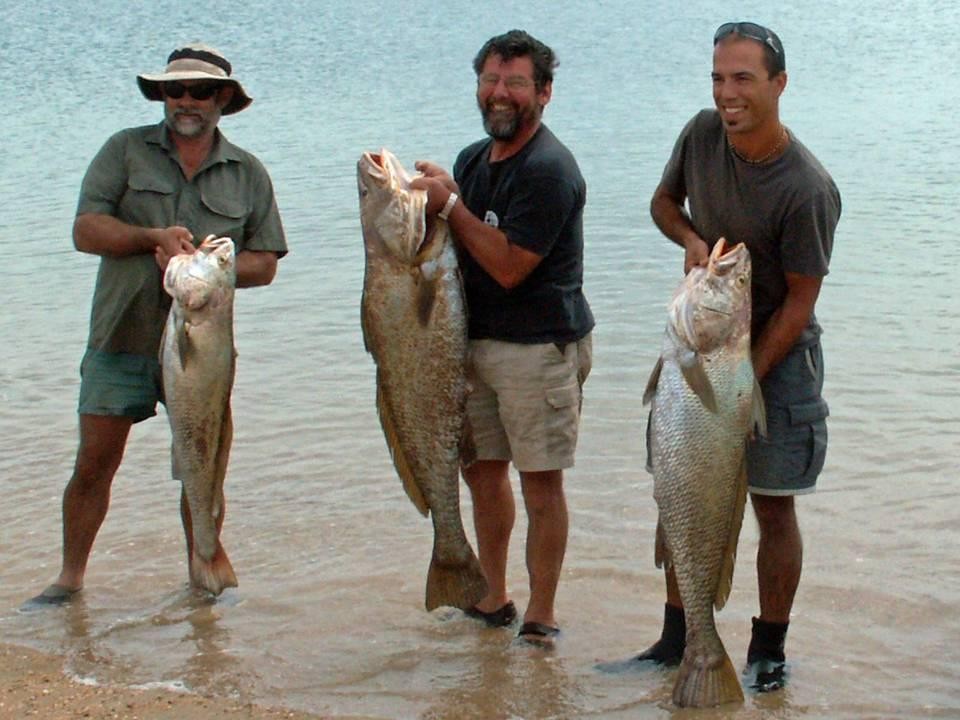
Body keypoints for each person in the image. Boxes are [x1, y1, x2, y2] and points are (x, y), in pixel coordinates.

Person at [26, 43, 287, 607]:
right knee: (93, 465)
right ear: (163, 96)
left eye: (200, 91)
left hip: (205, 351)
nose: (186, 100)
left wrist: (208, 269)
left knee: (203, 470)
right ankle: (69, 579)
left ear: (223, 99)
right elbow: (85, 230)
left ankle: (204, 579)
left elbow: (265, 263)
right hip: (118, 339)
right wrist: (150, 239)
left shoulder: (248, 173)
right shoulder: (123, 150)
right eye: (175, 90)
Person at [637, 22, 841, 690]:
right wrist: (692, 241)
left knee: (773, 507)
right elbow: (663, 203)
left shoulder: (807, 187)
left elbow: (800, 302)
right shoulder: (701, 134)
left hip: (777, 358)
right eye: (719, 78)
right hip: (703, 343)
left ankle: (768, 651)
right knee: (680, 491)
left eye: (744, 78)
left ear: (779, 84)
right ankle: (680, 641)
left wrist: (741, 381)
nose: (728, 93)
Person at [411, 29, 594, 646]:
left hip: (540, 347)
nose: (500, 93)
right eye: (490, 79)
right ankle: (492, 596)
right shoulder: (472, 160)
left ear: (544, 92)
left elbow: (511, 265)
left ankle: (542, 613)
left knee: (540, 481)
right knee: (482, 473)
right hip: (475, 344)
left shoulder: (550, 170)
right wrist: (438, 199)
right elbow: (458, 242)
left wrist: (450, 208)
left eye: (516, 83)